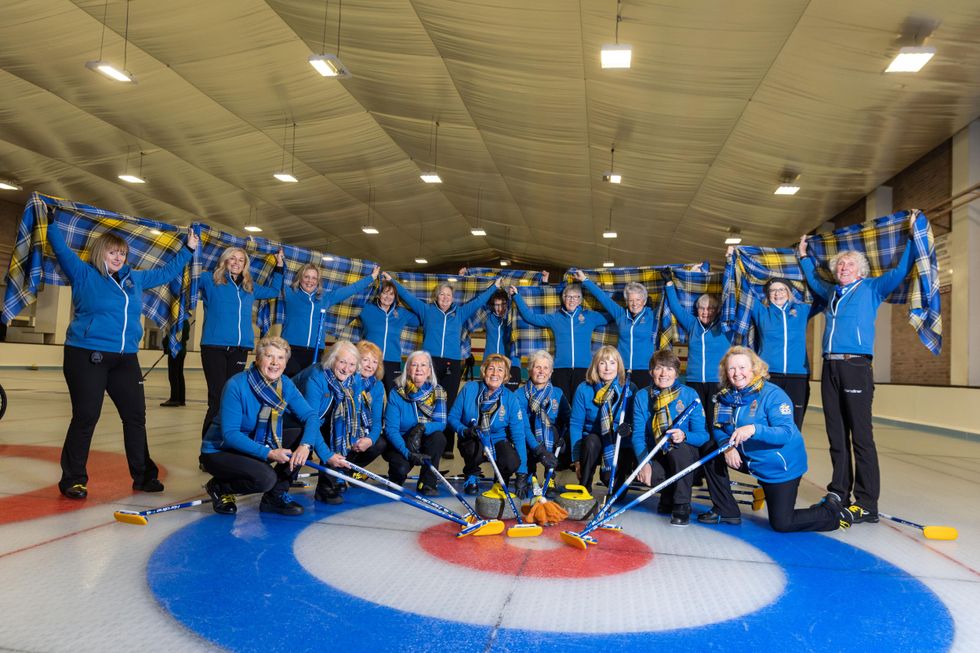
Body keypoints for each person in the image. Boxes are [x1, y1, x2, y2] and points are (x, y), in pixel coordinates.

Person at [46, 218, 197, 499]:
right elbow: (60, 249)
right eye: (113, 252)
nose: (118, 257)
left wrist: (188, 249)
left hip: (126, 358)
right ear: (101, 252)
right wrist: (51, 222)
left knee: (135, 416)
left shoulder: (134, 278)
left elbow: (166, 273)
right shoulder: (84, 274)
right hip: (86, 354)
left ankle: (143, 476)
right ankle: (73, 480)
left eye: (123, 253)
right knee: (86, 416)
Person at [799, 227, 915, 524]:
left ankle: (866, 503)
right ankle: (839, 492)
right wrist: (803, 257)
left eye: (850, 264)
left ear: (860, 270)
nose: (844, 267)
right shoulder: (830, 293)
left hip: (856, 367)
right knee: (836, 435)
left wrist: (914, 239)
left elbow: (900, 270)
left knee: (861, 437)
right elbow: (813, 279)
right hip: (830, 367)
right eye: (840, 264)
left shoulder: (871, 288)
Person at [708, 346, 853, 532]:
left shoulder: (772, 395)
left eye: (742, 367)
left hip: (780, 467)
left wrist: (754, 429)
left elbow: (785, 432)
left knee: (782, 523)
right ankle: (727, 510)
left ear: (754, 368)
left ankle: (832, 511)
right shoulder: (725, 397)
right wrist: (727, 448)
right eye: (732, 369)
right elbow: (718, 428)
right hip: (751, 461)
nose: (737, 373)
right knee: (710, 449)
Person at [200, 337, 328, 516]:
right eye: (269, 356)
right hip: (221, 451)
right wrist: (269, 453)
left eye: (281, 358)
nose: (275, 363)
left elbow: (311, 416)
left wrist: (305, 446)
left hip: (256, 443)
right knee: (265, 478)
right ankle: (220, 487)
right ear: (258, 359)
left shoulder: (285, 384)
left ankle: (275, 496)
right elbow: (230, 434)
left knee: (300, 434)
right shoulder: (236, 385)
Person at [383, 273, 501, 459]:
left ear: (452, 298)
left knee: (449, 402)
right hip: (430, 362)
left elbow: (479, 301)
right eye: (442, 295)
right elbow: (406, 296)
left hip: (452, 363)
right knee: (426, 399)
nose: (445, 298)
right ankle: (422, 436)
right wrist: (392, 281)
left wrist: (494, 287)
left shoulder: (460, 313)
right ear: (436, 297)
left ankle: (446, 445)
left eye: (448, 295)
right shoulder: (426, 310)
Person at [198, 247, 284, 438]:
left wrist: (279, 266)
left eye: (241, 260)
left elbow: (274, 291)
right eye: (232, 259)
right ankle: (207, 449)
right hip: (214, 347)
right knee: (217, 399)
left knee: (231, 398)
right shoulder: (210, 280)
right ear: (224, 261)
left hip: (239, 349)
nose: (236, 263)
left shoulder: (249, 287)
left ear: (245, 265)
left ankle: (226, 443)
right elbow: (190, 274)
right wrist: (192, 248)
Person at [292, 340, 381, 504]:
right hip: (294, 422)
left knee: (339, 430)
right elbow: (311, 420)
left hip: (322, 420)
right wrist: (327, 455)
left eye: (352, 364)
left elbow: (351, 416)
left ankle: (328, 486)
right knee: (305, 440)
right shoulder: (316, 377)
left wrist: (352, 440)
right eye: (342, 362)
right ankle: (276, 492)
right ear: (332, 360)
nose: (346, 368)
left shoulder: (354, 379)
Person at [631, 349, 709, 526]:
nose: (664, 373)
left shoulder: (690, 395)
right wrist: (645, 463)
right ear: (651, 372)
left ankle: (682, 504)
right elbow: (637, 436)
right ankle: (667, 494)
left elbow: (703, 436)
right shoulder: (642, 396)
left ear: (676, 372)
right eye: (659, 368)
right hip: (657, 452)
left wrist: (684, 435)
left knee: (678, 449)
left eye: (669, 368)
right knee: (651, 476)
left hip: (684, 455)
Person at [508, 281, 612, 401]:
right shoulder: (555, 318)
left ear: (580, 300)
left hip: (585, 370)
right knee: (562, 408)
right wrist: (516, 296)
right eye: (568, 296)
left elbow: (614, 313)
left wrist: (588, 283)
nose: (571, 300)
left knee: (582, 406)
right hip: (560, 370)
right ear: (563, 299)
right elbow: (530, 317)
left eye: (575, 297)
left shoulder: (590, 317)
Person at [744, 273, 820, 429]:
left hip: (798, 376)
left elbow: (822, 294)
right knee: (767, 419)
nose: (777, 294)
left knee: (795, 422)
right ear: (768, 294)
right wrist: (734, 260)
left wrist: (805, 260)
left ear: (789, 292)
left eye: (781, 289)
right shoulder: (761, 312)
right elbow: (745, 290)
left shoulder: (802, 310)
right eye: (773, 291)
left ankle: (791, 452)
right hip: (769, 376)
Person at [448, 354, 528, 496]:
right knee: (472, 448)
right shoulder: (469, 388)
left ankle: (501, 479)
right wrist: (465, 431)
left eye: (500, 370)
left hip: (497, 440)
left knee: (512, 462)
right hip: (473, 439)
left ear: (505, 376)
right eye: (491, 368)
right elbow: (452, 418)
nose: (495, 373)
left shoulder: (511, 398)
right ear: (484, 371)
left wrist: (522, 474)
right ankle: (472, 473)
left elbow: (519, 436)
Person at [280, 263, 380, 377]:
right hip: (291, 349)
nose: (310, 281)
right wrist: (280, 264)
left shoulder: (325, 298)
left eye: (314, 278)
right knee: (291, 386)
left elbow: (351, 289)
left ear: (318, 281)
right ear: (300, 278)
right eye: (306, 277)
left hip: (316, 351)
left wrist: (371, 277)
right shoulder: (290, 294)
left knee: (310, 388)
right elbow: (277, 283)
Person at [575, 270, 661, 388]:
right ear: (626, 301)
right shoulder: (620, 314)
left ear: (644, 301)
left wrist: (669, 284)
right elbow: (603, 298)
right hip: (621, 369)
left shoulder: (652, 316)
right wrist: (585, 280)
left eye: (638, 300)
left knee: (641, 404)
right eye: (631, 300)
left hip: (644, 370)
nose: (634, 303)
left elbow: (667, 303)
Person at [568, 346, 635, 495]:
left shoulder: (629, 388)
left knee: (615, 489)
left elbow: (635, 422)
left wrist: (628, 428)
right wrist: (577, 459)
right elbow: (576, 424)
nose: (607, 368)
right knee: (591, 441)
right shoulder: (584, 389)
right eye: (602, 363)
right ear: (595, 365)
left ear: (618, 366)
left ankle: (616, 477)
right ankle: (584, 487)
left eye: (612, 363)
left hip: (617, 443)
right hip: (593, 441)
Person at [383, 350, 447, 495]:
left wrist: (421, 427)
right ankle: (396, 478)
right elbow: (391, 430)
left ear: (429, 371)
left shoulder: (439, 391)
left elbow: (441, 423)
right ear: (407, 369)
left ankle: (427, 482)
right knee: (400, 469)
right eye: (414, 365)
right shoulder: (397, 392)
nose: (419, 369)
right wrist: (408, 453)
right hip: (402, 442)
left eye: (423, 365)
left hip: (423, 438)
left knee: (438, 438)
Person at [515, 350, 570, 483]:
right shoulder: (519, 394)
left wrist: (565, 437)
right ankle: (530, 474)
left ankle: (549, 476)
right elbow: (523, 428)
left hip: (551, 438)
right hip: (528, 437)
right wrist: (539, 450)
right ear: (529, 370)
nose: (541, 371)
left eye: (546, 368)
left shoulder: (558, 393)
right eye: (537, 367)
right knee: (526, 434)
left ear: (551, 372)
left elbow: (569, 419)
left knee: (552, 430)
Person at [358, 278, 421, 391]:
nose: (388, 297)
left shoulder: (401, 313)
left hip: (393, 361)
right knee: (368, 395)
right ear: (378, 294)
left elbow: (423, 316)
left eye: (391, 294)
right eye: (384, 293)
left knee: (394, 396)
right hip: (371, 360)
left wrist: (403, 295)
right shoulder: (366, 309)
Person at [481, 290, 522, 387]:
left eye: (503, 304)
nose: (500, 308)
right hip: (490, 364)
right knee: (487, 399)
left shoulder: (514, 318)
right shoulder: (487, 317)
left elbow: (529, 306)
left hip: (512, 364)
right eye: (496, 305)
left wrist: (544, 282)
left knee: (510, 399)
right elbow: (477, 299)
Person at [160, 318, 190, 407]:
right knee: (179, 375)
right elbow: (186, 337)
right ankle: (181, 399)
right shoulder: (186, 321)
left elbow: (168, 337)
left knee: (173, 375)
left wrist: (166, 346)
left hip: (174, 350)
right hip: (182, 350)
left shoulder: (175, 321)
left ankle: (174, 399)